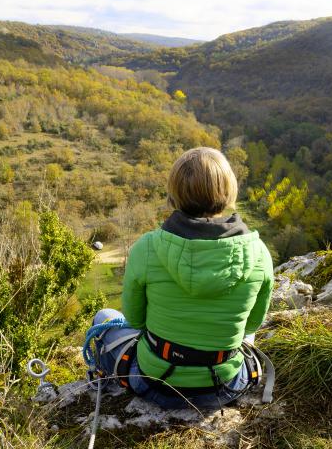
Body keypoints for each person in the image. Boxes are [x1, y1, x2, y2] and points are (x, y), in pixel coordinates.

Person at [90, 147, 274, 409]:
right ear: (229, 191)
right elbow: (251, 325)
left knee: (104, 317)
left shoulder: (147, 247)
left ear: (174, 195)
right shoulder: (259, 254)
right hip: (223, 384)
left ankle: (102, 381)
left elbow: (135, 320)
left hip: (153, 381)